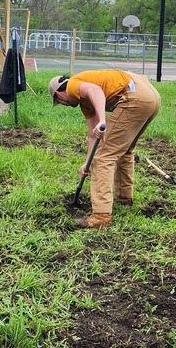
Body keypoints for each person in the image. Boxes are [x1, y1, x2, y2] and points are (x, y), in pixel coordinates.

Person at [48, 69, 161, 228]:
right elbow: (93, 136)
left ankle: (101, 216)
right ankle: (124, 197)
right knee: (124, 150)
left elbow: (96, 91)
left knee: (103, 156)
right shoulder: (85, 102)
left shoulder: (73, 86)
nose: (64, 105)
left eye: (60, 102)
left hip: (134, 96)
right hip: (150, 96)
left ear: (58, 95)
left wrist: (103, 120)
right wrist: (86, 164)